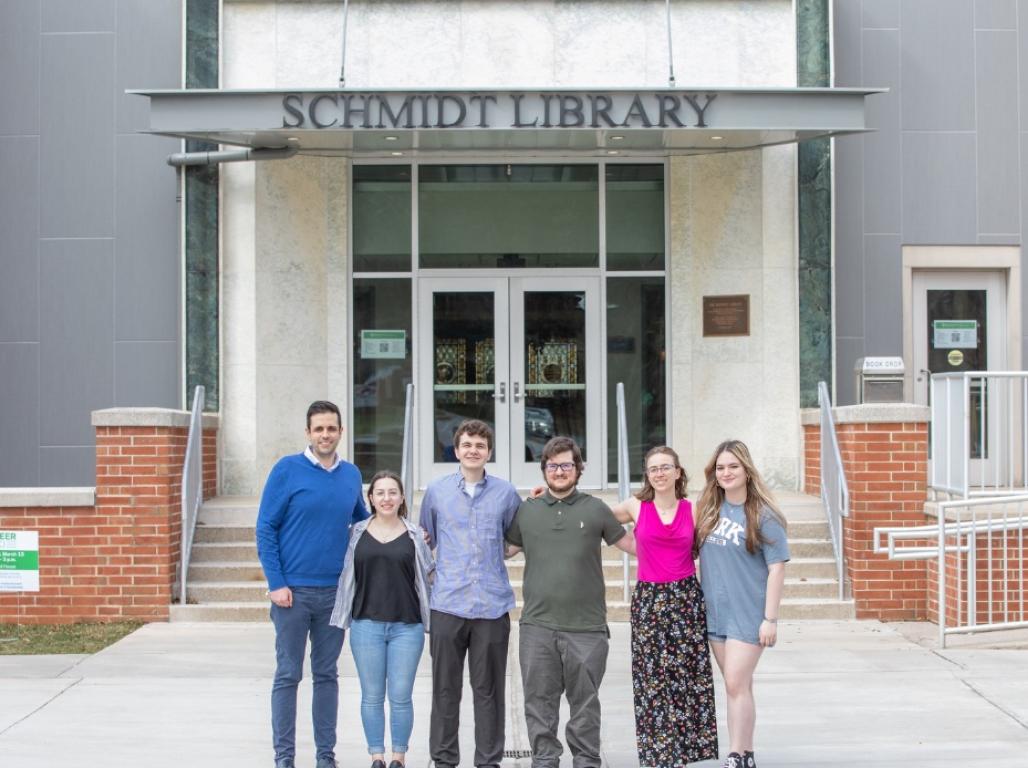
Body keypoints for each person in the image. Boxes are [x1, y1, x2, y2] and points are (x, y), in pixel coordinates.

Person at [505, 436, 636, 768]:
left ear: (579, 469)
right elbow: (503, 550)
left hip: (587, 628)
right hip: (537, 627)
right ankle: (545, 761)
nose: (559, 471)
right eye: (553, 465)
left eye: (566, 465)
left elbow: (636, 546)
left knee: (585, 705)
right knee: (538, 703)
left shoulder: (595, 509)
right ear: (544, 470)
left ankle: (587, 761)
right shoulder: (527, 510)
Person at [255, 400, 370, 768]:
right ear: (308, 432)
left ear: (340, 432)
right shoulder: (287, 470)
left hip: (334, 594)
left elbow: (363, 523)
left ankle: (326, 758)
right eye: (318, 429)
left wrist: (406, 534)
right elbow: (265, 528)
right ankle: (284, 759)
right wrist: (276, 582)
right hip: (292, 594)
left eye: (331, 428)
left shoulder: (350, 474)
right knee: (288, 674)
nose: (325, 434)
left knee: (327, 675)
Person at [419, 419, 522, 768]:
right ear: (456, 449)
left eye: (480, 445)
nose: (473, 450)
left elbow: (514, 540)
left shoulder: (506, 493)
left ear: (488, 452)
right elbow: (427, 540)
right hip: (447, 603)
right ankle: (444, 760)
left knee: (489, 692)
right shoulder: (437, 492)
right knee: (445, 691)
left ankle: (488, 761)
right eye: (467, 445)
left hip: (492, 607)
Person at [608, 446, 718, 768]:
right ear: (647, 474)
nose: (659, 473)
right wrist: (635, 547)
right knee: (652, 679)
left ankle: (684, 752)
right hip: (649, 603)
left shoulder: (693, 508)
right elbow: (595, 517)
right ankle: (659, 755)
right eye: (653, 468)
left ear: (678, 472)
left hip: (685, 600)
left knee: (686, 678)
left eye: (665, 467)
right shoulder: (636, 506)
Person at [694, 439, 789, 768]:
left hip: (749, 614)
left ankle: (735, 754)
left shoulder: (764, 515)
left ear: (746, 471)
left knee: (735, 681)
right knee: (738, 686)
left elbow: (777, 567)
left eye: (733, 466)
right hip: (715, 613)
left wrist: (771, 619)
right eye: (720, 468)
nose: (726, 472)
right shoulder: (708, 511)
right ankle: (745, 753)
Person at [330, 471, 434, 768]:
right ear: (371, 499)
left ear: (402, 498)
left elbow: (430, 575)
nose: (386, 498)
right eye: (380, 493)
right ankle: (376, 756)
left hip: (407, 627)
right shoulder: (357, 533)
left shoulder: (415, 535)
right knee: (372, 696)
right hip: (366, 626)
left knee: (401, 697)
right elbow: (347, 576)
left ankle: (398, 757)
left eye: (392, 492)